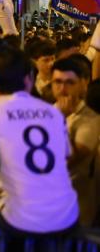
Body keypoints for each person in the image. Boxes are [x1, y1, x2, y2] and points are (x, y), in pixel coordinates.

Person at [0, 45, 78, 244]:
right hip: (67, 214)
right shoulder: (52, 112)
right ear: (28, 79)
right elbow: (66, 157)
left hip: (22, 217)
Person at [52, 55, 99, 226]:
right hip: (47, 207)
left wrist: (61, 121)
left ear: (83, 84)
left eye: (69, 82)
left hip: (77, 211)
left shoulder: (91, 120)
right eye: (57, 82)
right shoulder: (46, 113)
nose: (62, 88)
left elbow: (67, 160)